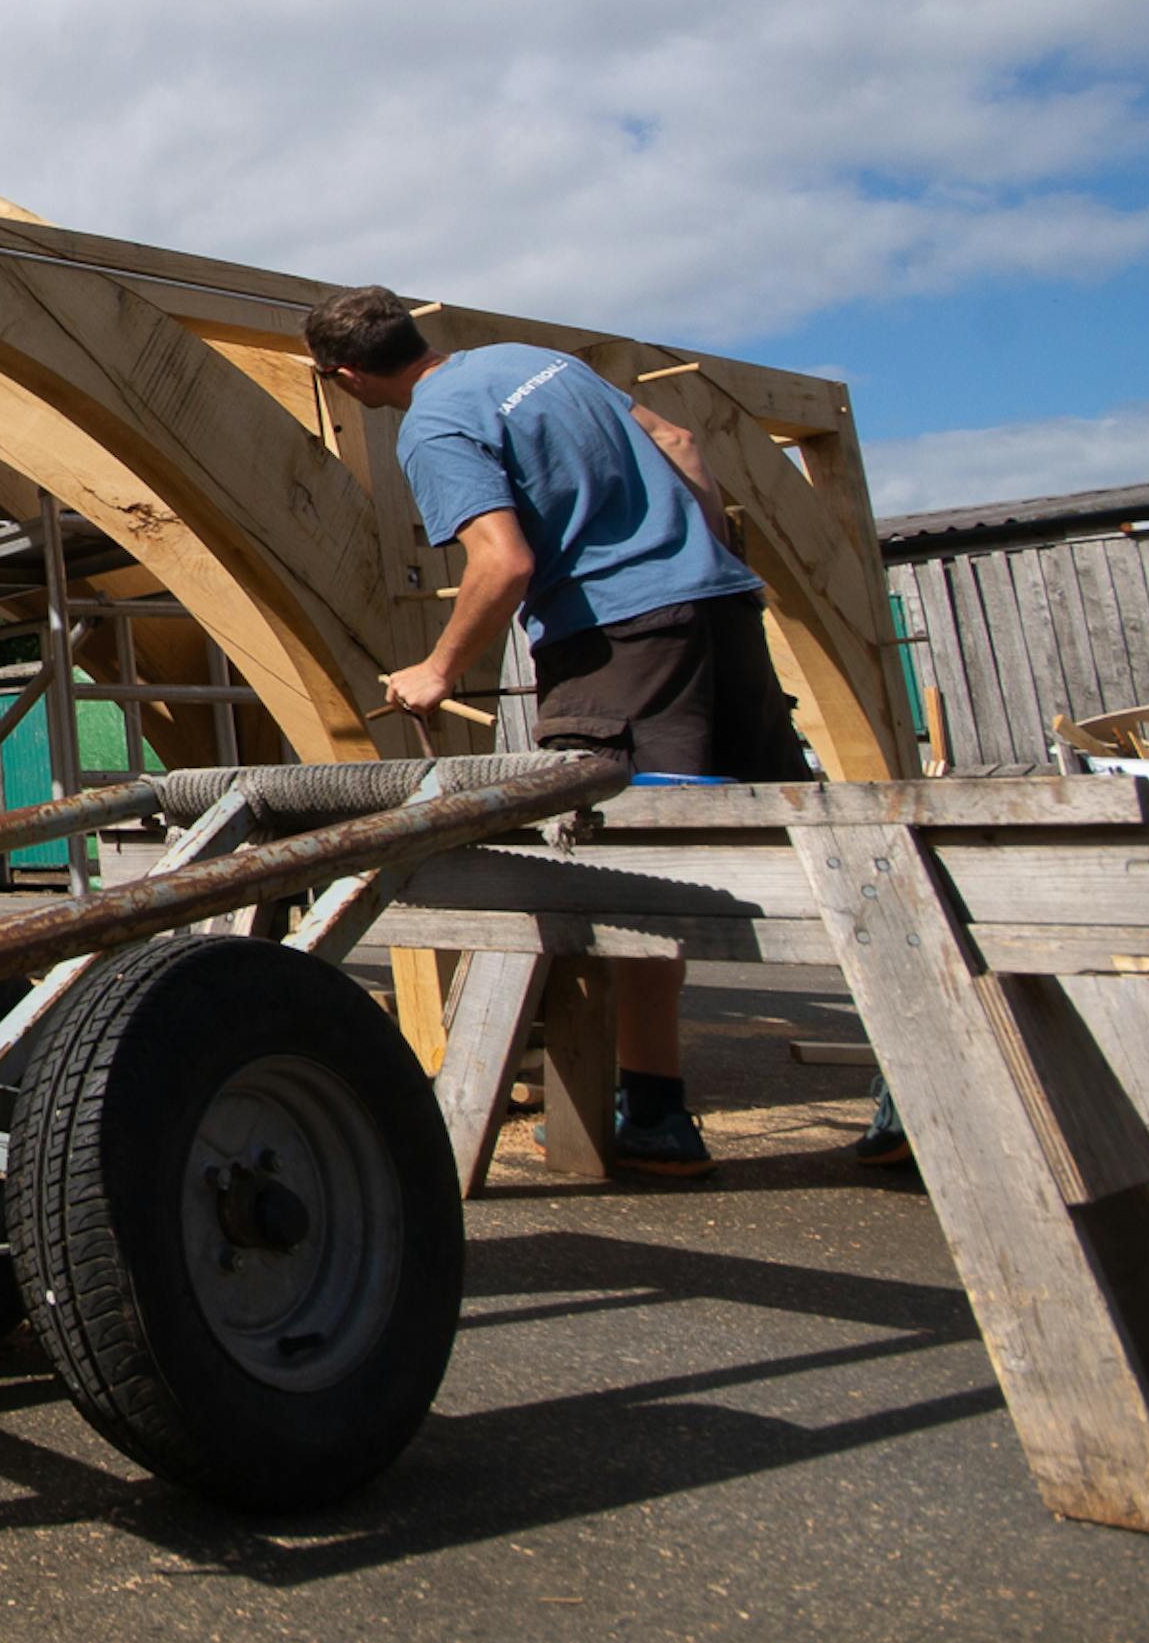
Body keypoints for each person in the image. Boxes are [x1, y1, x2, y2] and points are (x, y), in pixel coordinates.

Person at [301, 286, 819, 1180]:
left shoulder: (433, 426)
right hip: (721, 610)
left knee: (632, 870)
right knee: (805, 841)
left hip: (617, 644)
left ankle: (654, 1113)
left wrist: (436, 669)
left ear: (345, 376)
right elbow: (682, 444)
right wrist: (688, 557)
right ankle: (906, 1089)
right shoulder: (537, 363)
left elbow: (505, 564)